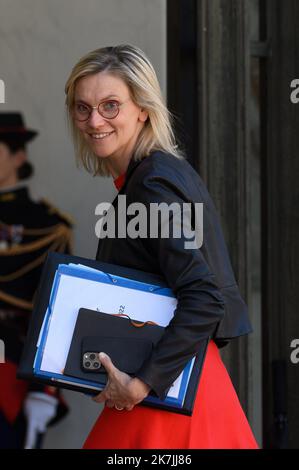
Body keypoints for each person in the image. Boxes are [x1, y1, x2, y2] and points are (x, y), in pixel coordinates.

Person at [65, 44, 259, 449]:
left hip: (169, 395)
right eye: (82, 108)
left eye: (110, 105)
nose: (94, 120)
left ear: (143, 109)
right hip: (173, 385)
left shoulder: (151, 184)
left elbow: (205, 297)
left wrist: (142, 384)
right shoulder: (152, 176)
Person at [0, 112, 73, 448]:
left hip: (10, 370)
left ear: (19, 156)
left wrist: (45, 387)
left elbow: (55, 313)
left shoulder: (46, 225)